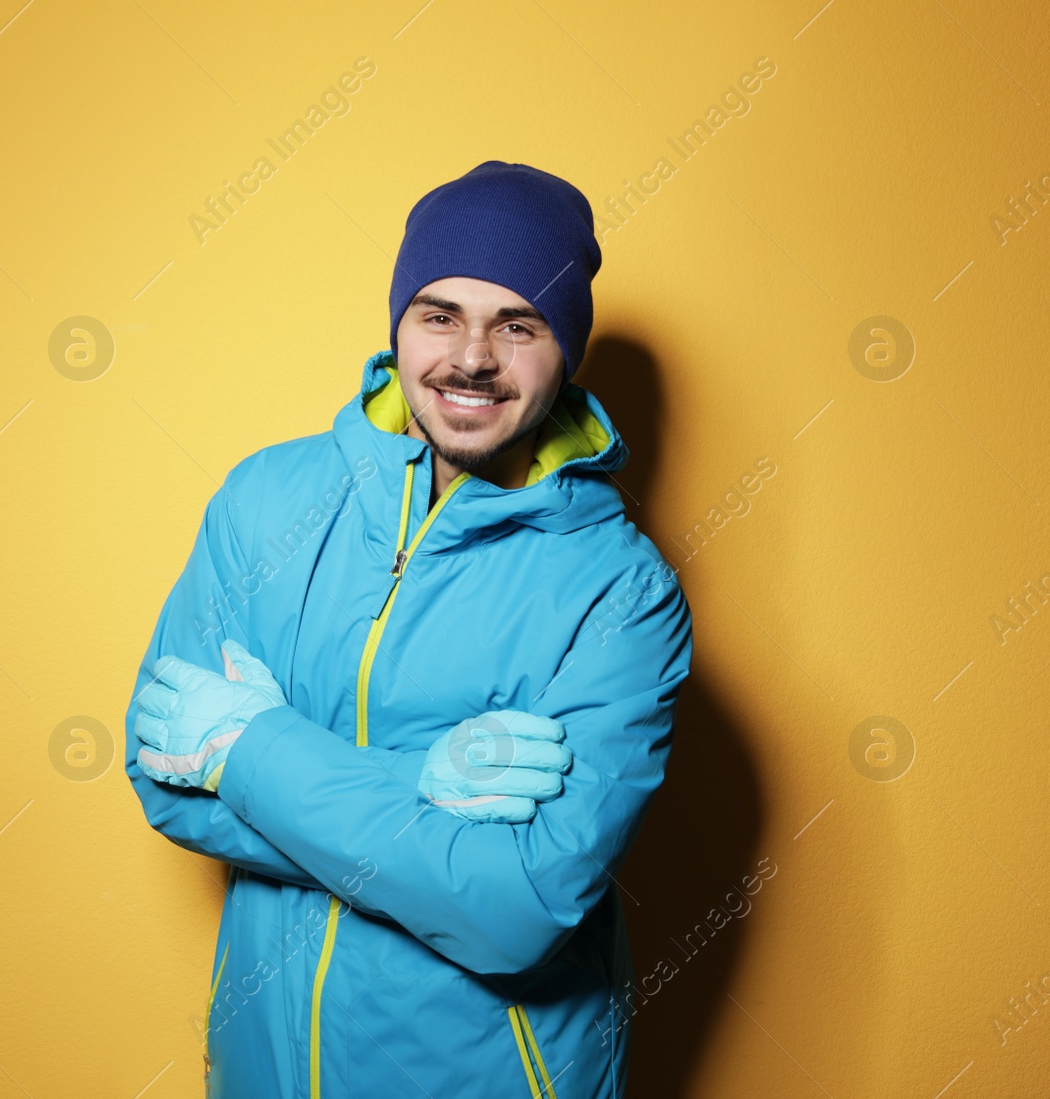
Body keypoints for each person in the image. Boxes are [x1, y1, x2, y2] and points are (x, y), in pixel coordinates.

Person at [125, 160, 694, 1099]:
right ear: (399, 324)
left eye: (519, 325)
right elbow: (164, 776)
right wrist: (420, 790)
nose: (471, 358)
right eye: (440, 314)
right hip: (262, 1067)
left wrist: (249, 744)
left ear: (568, 350)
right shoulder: (266, 499)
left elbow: (519, 909)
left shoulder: (622, 594)